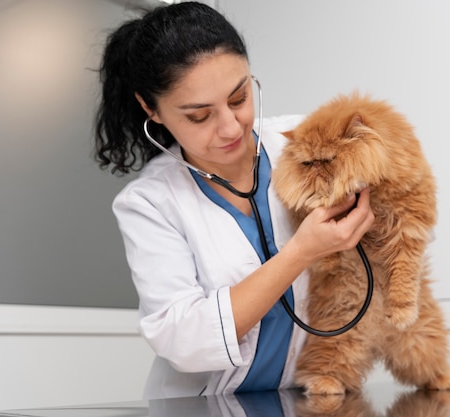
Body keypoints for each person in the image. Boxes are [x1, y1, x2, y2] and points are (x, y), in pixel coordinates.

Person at [94, 1, 375, 399]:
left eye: (239, 97)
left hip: (306, 397)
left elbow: (400, 207)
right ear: (150, 108)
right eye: (198, 116)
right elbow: (183, 339)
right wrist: (301, 252)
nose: (230, 127)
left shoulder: (304, 140)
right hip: (206, 406)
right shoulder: (149, 202)